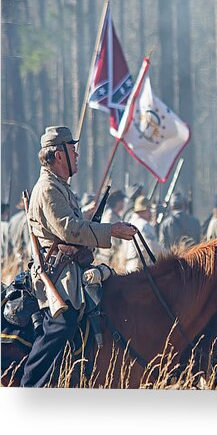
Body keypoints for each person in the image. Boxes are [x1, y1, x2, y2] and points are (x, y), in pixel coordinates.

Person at [21, 126, 137, 387]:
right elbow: (69, 230)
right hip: (57, 277)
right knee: (61, 326)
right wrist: (112, 230)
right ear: (58, 155)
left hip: (71, 274)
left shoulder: (61, 187)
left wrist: (92, 220)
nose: (77, 155)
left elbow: (73, 227)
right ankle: (30, 390)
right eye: (72, 150)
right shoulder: (48, 188)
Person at [124, 195, 164, 273]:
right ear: (146, 209)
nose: (150, 212)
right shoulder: (143, 224)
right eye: (149, 209)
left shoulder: (130, 222)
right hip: (140, 267)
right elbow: (153, 246)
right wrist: (169, 254)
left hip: (129, 266)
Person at [95, 189, 127, 265]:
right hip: (107, 255)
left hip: (112, 254)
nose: (123, 204)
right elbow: (110, 236)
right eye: (121, 201)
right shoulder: (109, 216)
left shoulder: (115, 216)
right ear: (117, 202)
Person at [7, 199, 32, 271]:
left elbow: (8, 245)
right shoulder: (28, 220)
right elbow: (29, 245)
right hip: (24, 261)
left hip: (14, 259)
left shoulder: (13, 219)